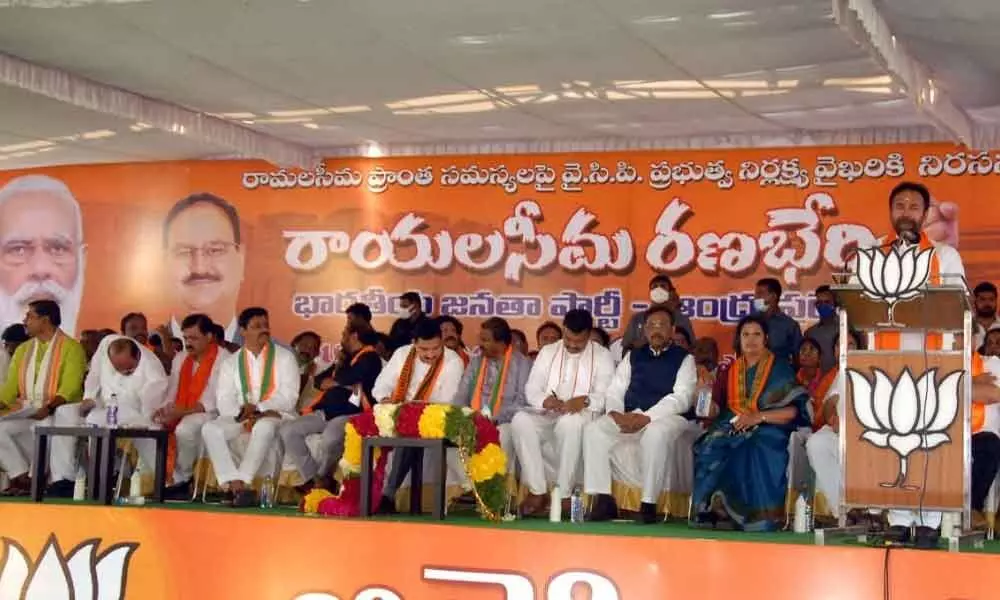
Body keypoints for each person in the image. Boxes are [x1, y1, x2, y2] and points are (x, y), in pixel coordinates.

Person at [853, 181, 966, 546]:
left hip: (933, 359)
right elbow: (856, 301)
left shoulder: (944, 256)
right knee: (894, 436)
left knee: (929, 439)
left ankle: (929, 521)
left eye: (913, 206)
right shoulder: (872, 254)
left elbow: (957, 303)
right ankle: (898, 518)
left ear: (925, 214)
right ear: (891, 212)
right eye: (899, 205)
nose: (906, 212)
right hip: (887, 358)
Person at [690, 315, 810, 531]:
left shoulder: (780, 368)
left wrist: (758, 417)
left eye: (756, 334)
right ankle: (712, 509)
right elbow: (714, 410)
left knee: (750, 444)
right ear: (739, 339)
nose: (751, 340)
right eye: (745, 334)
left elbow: (792, 411)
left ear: (766, 339)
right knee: (711, 443)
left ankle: (752, 515)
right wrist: (702, 392)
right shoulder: (728, 370)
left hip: (769, 426)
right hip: (731, 424)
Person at [583, 305, 697, 523]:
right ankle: (603, 498)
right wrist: (616, 414)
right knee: (594, 430)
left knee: (655, 433)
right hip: (631, 414)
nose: (656, 330)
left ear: (672, 330)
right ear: (644, 330)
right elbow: (615, 390)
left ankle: (648, 503)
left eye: (662, 325)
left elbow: (681, 398)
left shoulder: (685, 358)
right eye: (651, 325)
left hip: (670, 418)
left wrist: (648, 417)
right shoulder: (633, 356)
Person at [514, 309, 614, 517]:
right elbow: (531, 388)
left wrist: (585, 400)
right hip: (548, 412)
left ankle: (564, 493)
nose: (572, 345)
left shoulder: (603, 355)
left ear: (588, 335)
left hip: (582, 415)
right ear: (563, 330)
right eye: (568, 339)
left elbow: (606, 396)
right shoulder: (549, 351)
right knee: (520, 420)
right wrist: (545, 400)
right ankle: (537, 491)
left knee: (570, 423)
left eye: (579, 341)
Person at [201, 308, 299, 507]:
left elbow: (289, 397)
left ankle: (243, 482)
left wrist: (259, 408)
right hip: (241, 415)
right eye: (256, 327)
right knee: (210, 429)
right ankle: (234, 483)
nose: (263, 330)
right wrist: (240, 412)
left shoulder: (284, 357)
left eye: (265, 325)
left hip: (275, 414)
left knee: (264, 427)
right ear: (243, 331)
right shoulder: (230, 363)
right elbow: (224, 399)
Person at [373, 318, 465, 512]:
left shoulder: (453, 361)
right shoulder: (401, 354)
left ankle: (388, 495)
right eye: (424, 350)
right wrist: (384, 398)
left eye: (436, 348)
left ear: (441, 341)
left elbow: (446, 401)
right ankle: (363, 496)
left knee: (410, 430)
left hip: (434, 418)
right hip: (398, 413)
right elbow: (381, 386)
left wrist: (412, 410)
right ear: (414, 343)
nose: (431, 355)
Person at [281, 324, 383, 494]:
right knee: (288, 430)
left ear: (354, 336)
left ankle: (324, 477)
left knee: (330, 438)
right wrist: (338, 380)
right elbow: (319, 379)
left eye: (344, 335)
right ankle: (313, 479)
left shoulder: (370, 358)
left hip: (350, 414)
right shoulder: (345, 359)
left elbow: (352, 377)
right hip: (325, 412)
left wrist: (337, 381)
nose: (341, 339)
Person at [0, 300, 87, 497]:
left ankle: (45, 480)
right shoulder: (23, 350)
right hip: (30, 413)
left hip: (57, 414)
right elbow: (9, 391)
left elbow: (70, 389)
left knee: (49, 421)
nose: (25, 321)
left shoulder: (71, 348)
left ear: (45, 320)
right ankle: (21, 477)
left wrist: (47, 408)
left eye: (30, 316)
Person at [153, 314, 231, 500]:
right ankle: (161, 479)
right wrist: (164, 410)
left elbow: (213, 400)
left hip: (213, 414)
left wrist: (181, 412)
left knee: (185, 429)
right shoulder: (181, 359)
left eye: (193, 338)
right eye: (185, 338)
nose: (188, 343)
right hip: (184, 410)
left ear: (209, 337)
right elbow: (172, 391)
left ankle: (183, 479)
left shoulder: (224, 360)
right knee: (153, 426)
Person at [0, 175, 86, 336]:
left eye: (58, 249)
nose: (40, 269)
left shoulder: (75, 353)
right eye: (18, 250)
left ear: (82, 261)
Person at [81, 336, 169, 474]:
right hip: (106, 406)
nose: (123, 373)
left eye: (128, 369)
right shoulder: (106, 344)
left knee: (97, 420)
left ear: (138, 356)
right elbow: (94, 374)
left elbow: (150, 411)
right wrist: (89, 397)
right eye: (117, 368)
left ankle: (161, 478)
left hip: (137, 412)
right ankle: (98, 476)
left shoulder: (153, 369)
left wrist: (143, 421)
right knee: (88, 418)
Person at [453, 318, 531, 472]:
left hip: (504, 421)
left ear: (501, 343)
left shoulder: (522, 364)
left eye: (485, 340)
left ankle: (497, 488)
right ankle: (468, 488)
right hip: (473, 419)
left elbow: (522, 401)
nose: (480, 345)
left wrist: (495, 419)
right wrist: (461, 416)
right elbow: (462, 394)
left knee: (503, 435)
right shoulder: (476, 362)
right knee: (457, 437)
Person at [164, 193, 245, 343]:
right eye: (184, 252)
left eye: (215, 250)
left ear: (241, 260)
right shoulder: (145, 352)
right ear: (164, 264)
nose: (200, 268)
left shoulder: (277, 357)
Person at [621, 275, 695, 351]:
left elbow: (691, 347)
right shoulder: (637, 318)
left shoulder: (682, 319)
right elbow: (626, 349)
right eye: (654, 287)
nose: (658, 289)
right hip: (642, 361)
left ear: (670, 292)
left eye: (663, 286)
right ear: (650, 292)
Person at [752, 277, 803, 364]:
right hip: (753, 375)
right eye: (756, 294)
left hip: (780, 374)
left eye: (760, 293)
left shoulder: (790, 325)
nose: (756, 297)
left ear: (774, 296)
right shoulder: (749, 322)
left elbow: (797, 357)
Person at [803, 285, 848, 373]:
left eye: (827, 302)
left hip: (841, 378)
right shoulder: (810, 333)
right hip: (818, 382)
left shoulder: (845, 328)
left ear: (835, 303)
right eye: (819, 302)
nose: (823, 306)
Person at [795, 338, 837, 431]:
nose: (807, 353)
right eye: (803, 350)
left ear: (819, 357)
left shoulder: (827, 380)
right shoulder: (792, 380)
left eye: (812, 349)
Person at [291, 330, 324, 411]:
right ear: (294, 344)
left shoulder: (318, 373)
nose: (307, 350)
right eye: (304, 345)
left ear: (316, 353)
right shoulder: (280, 362)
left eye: (312, 348)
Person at [972, 282, 1000, 350]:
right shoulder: (966, 326)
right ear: (975, 301)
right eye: (982, 299)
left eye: (991, 299)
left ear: (996, 301)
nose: (987, 303)